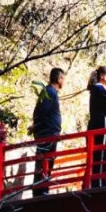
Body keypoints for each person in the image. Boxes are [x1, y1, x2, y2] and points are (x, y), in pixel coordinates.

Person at [31, 67, 65, 196]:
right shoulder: (50, 92)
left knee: (46, 162)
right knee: (45, 161)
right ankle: (41, 190)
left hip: (49, 132)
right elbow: (41, 112)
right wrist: (38, 126)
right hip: (48, 133)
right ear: (59, 78)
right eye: (63, 79)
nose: (64, 82)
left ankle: (42, 189)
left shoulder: (49, 92)